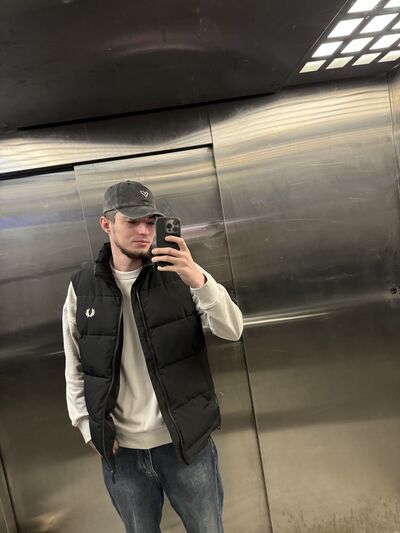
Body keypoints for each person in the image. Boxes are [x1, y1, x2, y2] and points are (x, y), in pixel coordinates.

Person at [62, 180, 243, 533]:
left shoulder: (181, 273)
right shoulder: (82, 287)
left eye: (150, 221)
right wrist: (86, 426)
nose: (144, 231)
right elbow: (75, 364)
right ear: (106, 224)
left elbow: (232, 329)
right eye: (132, 221)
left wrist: (198, 280)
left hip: (185, 446)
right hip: (122, 454)